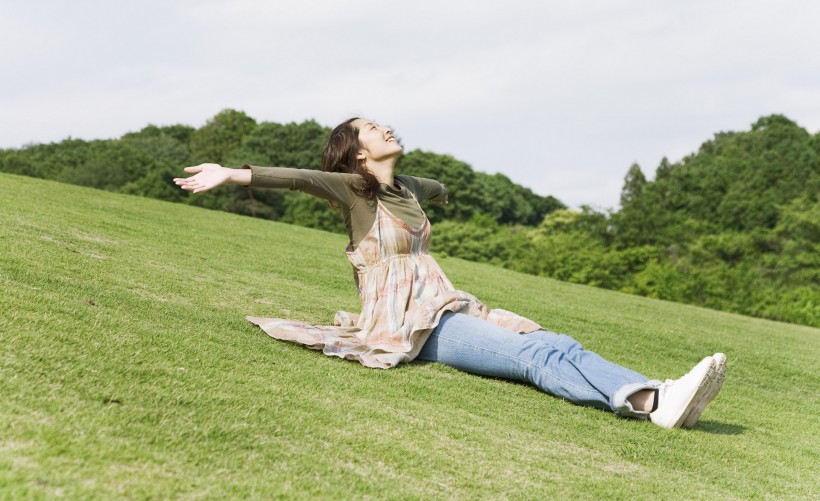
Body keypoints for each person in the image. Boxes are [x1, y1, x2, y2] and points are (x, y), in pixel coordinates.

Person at [174, 117, 726, 429]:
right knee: (535, 357)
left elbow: (435, 188)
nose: (385, 127)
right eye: (372, 128)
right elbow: (294, 178)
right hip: (409, 322)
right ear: (357, 155)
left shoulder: (408, 188)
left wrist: (424, 186)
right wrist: (232, 174)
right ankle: (653, 401)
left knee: (551, 340)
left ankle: (656, 394)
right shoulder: (351, 189)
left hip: (444, 304)